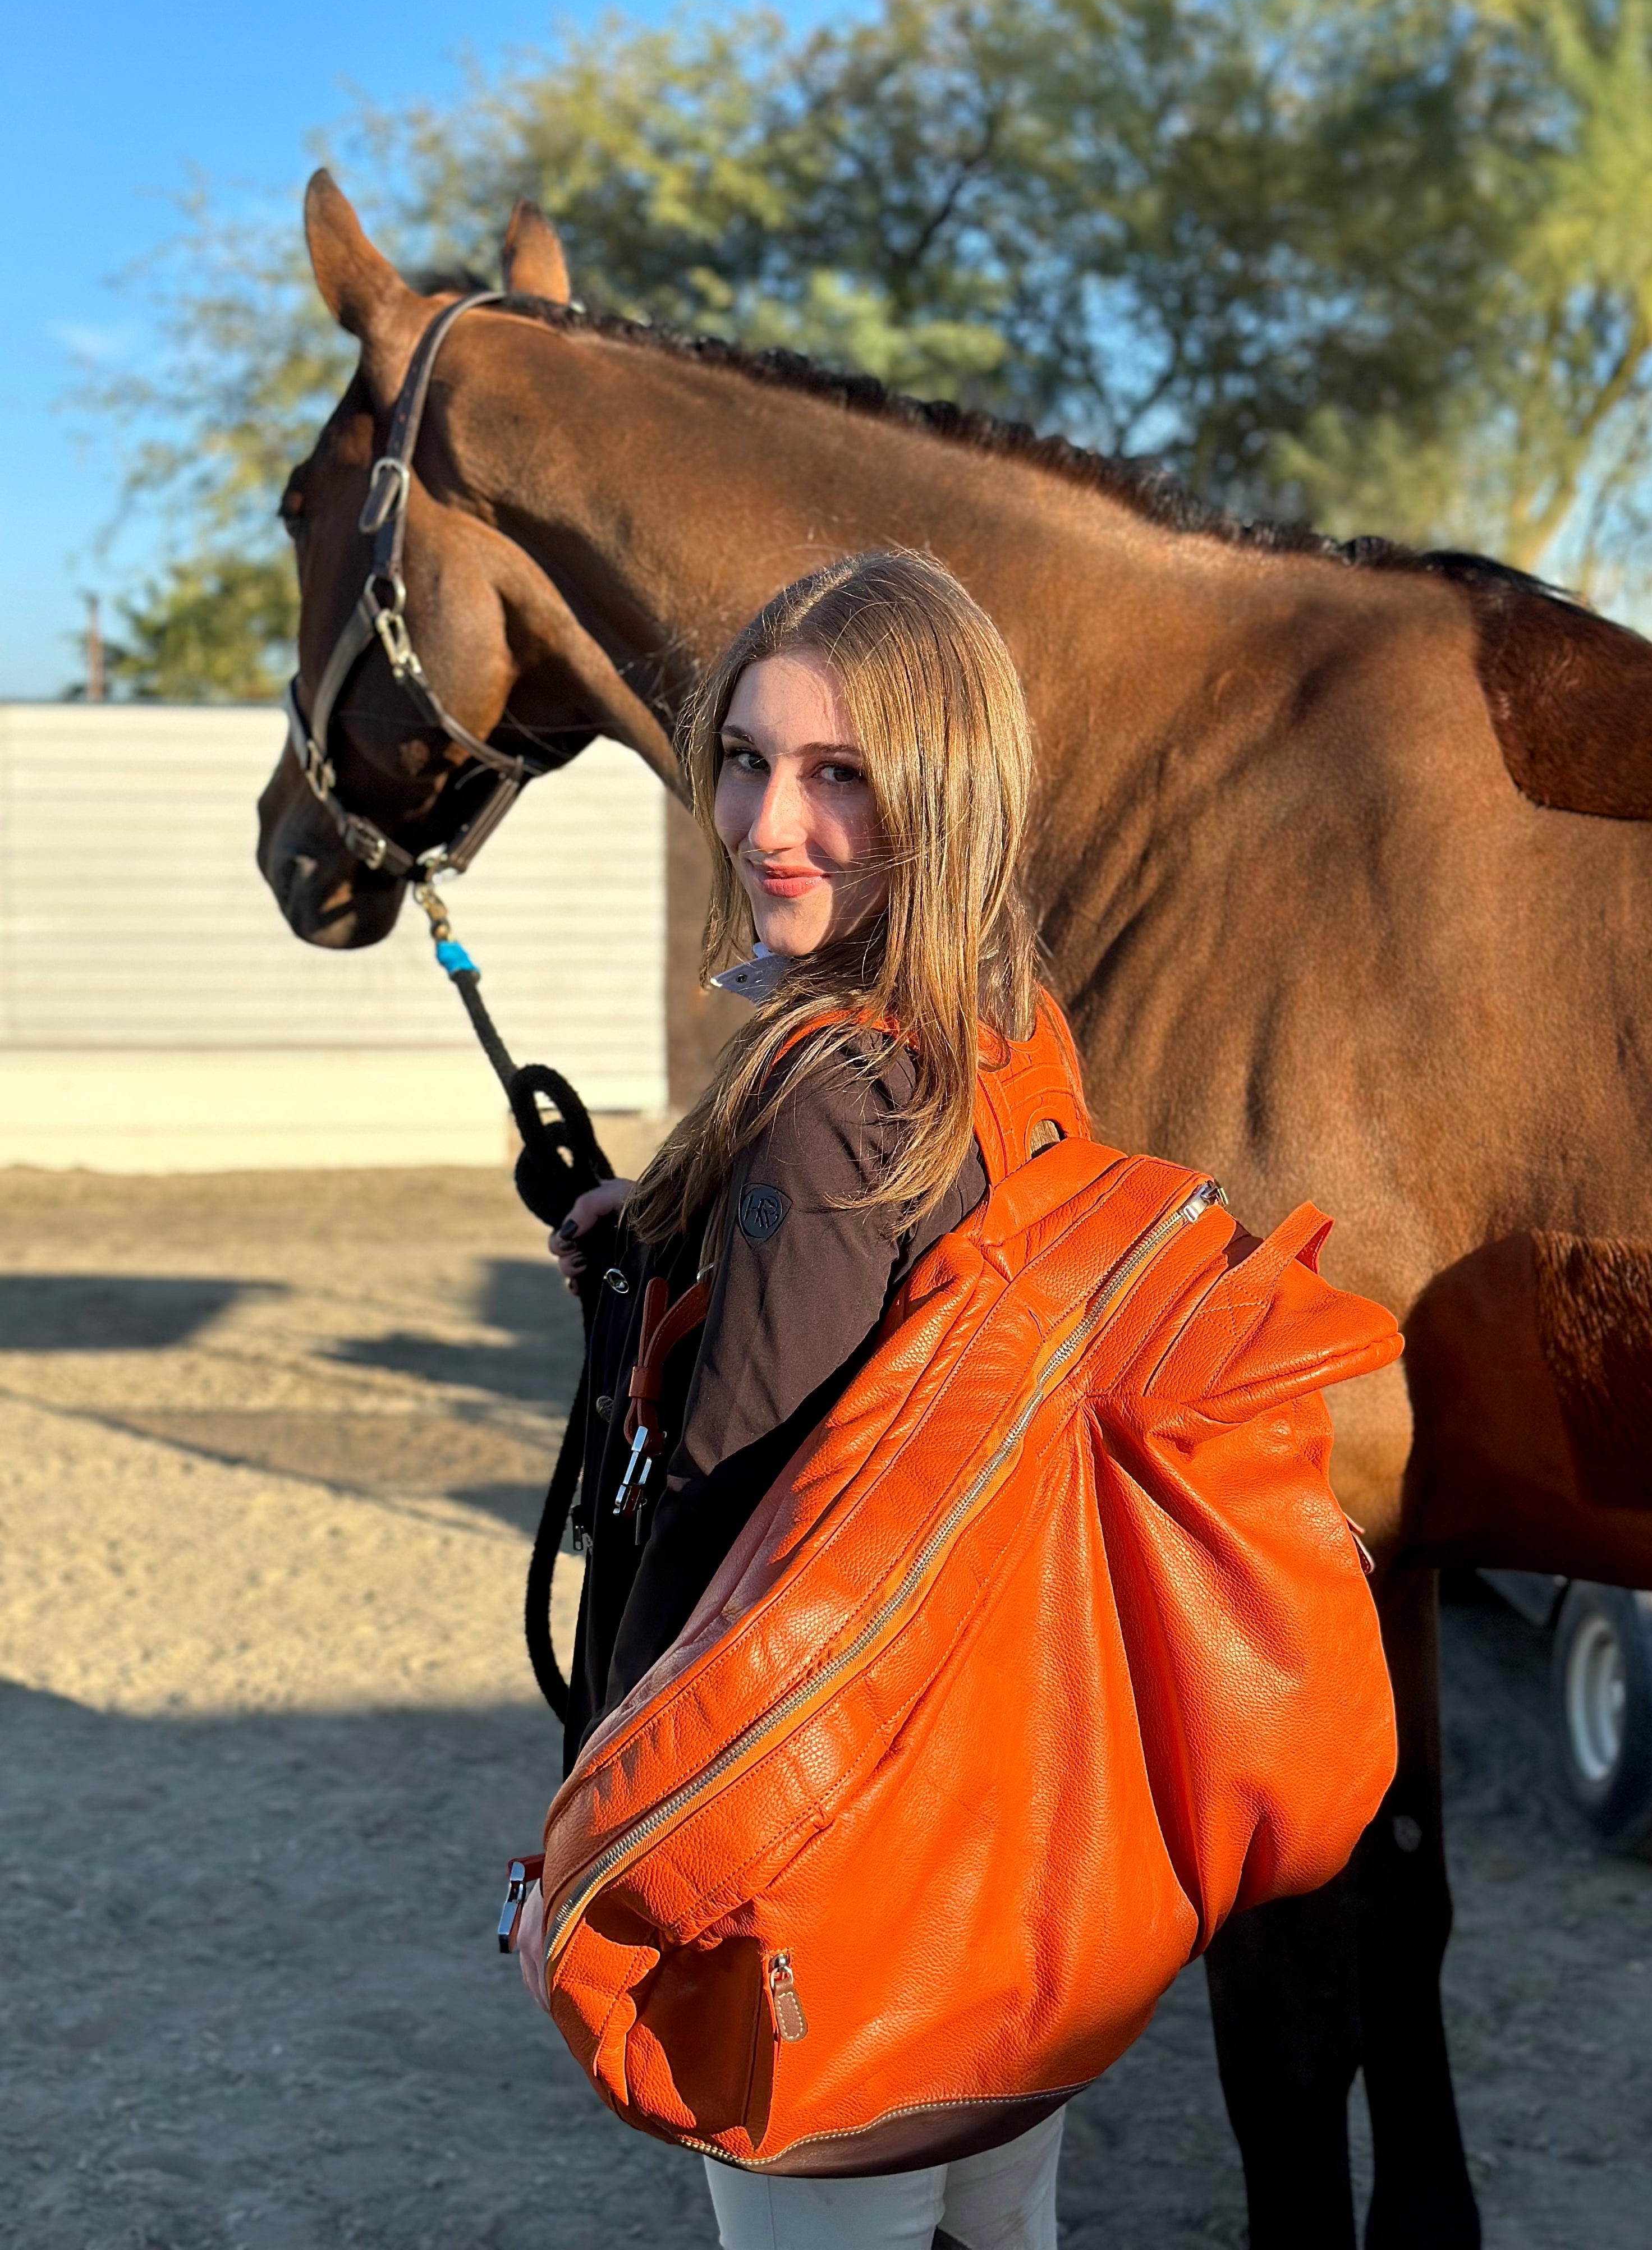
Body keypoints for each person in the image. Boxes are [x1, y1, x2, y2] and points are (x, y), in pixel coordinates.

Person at [515, 548, 1066, 2250]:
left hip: (829, 1883)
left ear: (941, 796)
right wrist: (671, 1220)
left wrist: (587, 1833)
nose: (770, 822)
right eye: (748, 760)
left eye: (840, 777)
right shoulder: (1004, 1030)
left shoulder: (824, 1113)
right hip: (1000, 1826)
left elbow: (726, 1538)